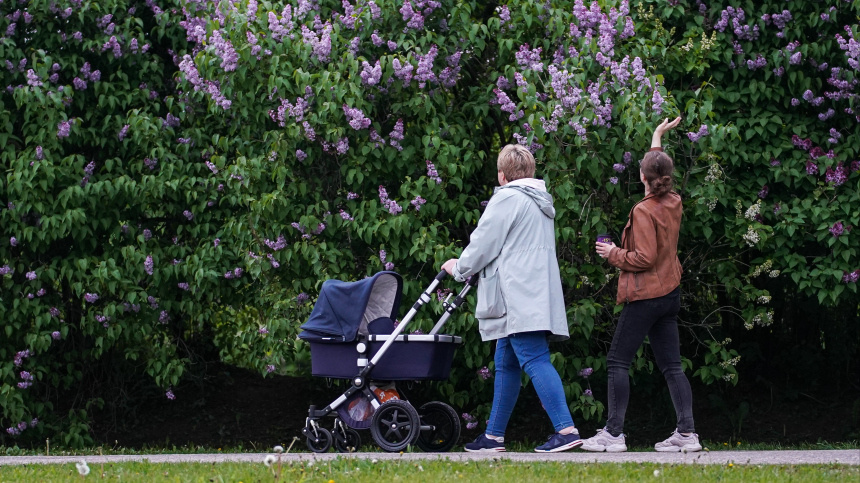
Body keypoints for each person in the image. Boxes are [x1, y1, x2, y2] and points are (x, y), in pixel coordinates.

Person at [440, 144, 582, 453]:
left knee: (533, 357)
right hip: (533, 291)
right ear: (530, 172)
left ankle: (566, 429)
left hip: (517, 294)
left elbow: (483, 243)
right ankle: (493, 436)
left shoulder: (506, 198)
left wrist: (458, 267)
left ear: (502, 175)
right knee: (505, 363)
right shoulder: (540, 202)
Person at [582, 117, 702, 453]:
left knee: (618, 361)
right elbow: (657, 167)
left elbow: (644, 257)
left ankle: (613, 434)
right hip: (670, 294)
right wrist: (657, 136)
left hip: (646, 295)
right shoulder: (673, 200)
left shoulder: (643, 211)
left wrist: (613, 253)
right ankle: (687, 434)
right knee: (672, 366)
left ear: (641, 178)